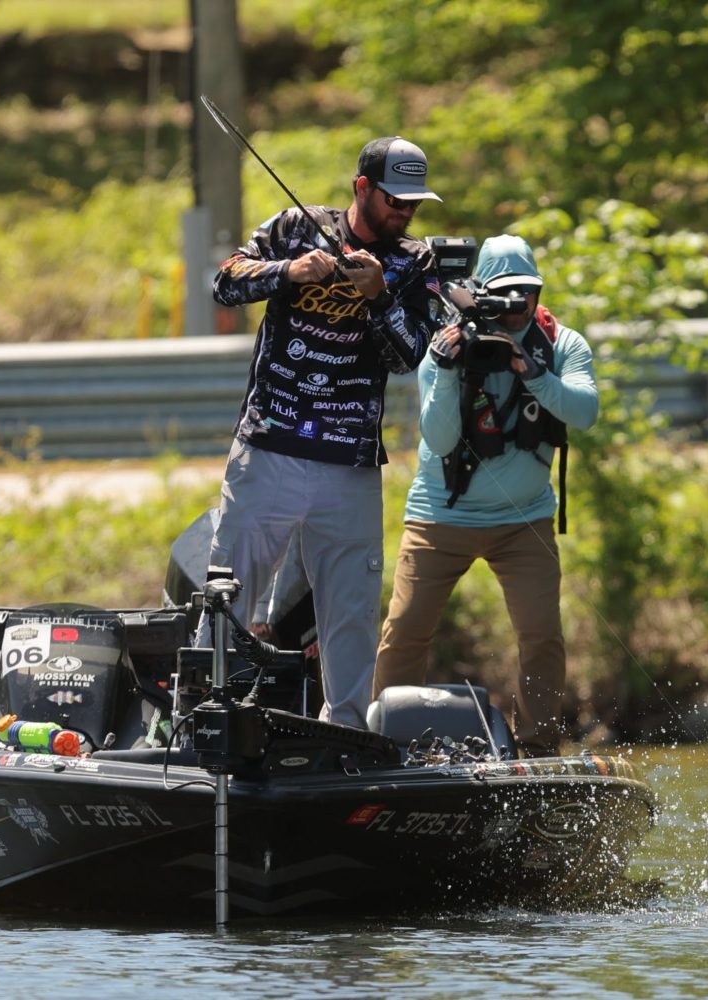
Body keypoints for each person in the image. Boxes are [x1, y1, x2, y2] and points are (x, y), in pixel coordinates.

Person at [206, 135, 440, 730]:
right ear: (363, 188)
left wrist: (380, 297)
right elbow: (225, 283)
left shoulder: (416, 263)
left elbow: (408, 355)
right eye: (395, 200)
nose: (405, 213)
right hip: (268, 449)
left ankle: (348, 734)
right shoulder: (293, 226)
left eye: (414, 204)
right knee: (227, 595)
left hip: (350, 462)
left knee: (352, 612)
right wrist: (290, 272)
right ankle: (206, 716)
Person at [373, 235, 598, 757]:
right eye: (504, 296)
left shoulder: (563, 345)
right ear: (479, 294)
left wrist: (534, 373)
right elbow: (442, 438)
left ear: (540, 293)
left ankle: (538, 747)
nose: (516, 308)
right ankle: (380, 742)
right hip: (439, 519)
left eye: (527, 295)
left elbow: (584, 412)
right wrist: (449, 370)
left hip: (525, 523)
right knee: (405, 630)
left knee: (542, 635)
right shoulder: (445, 347)